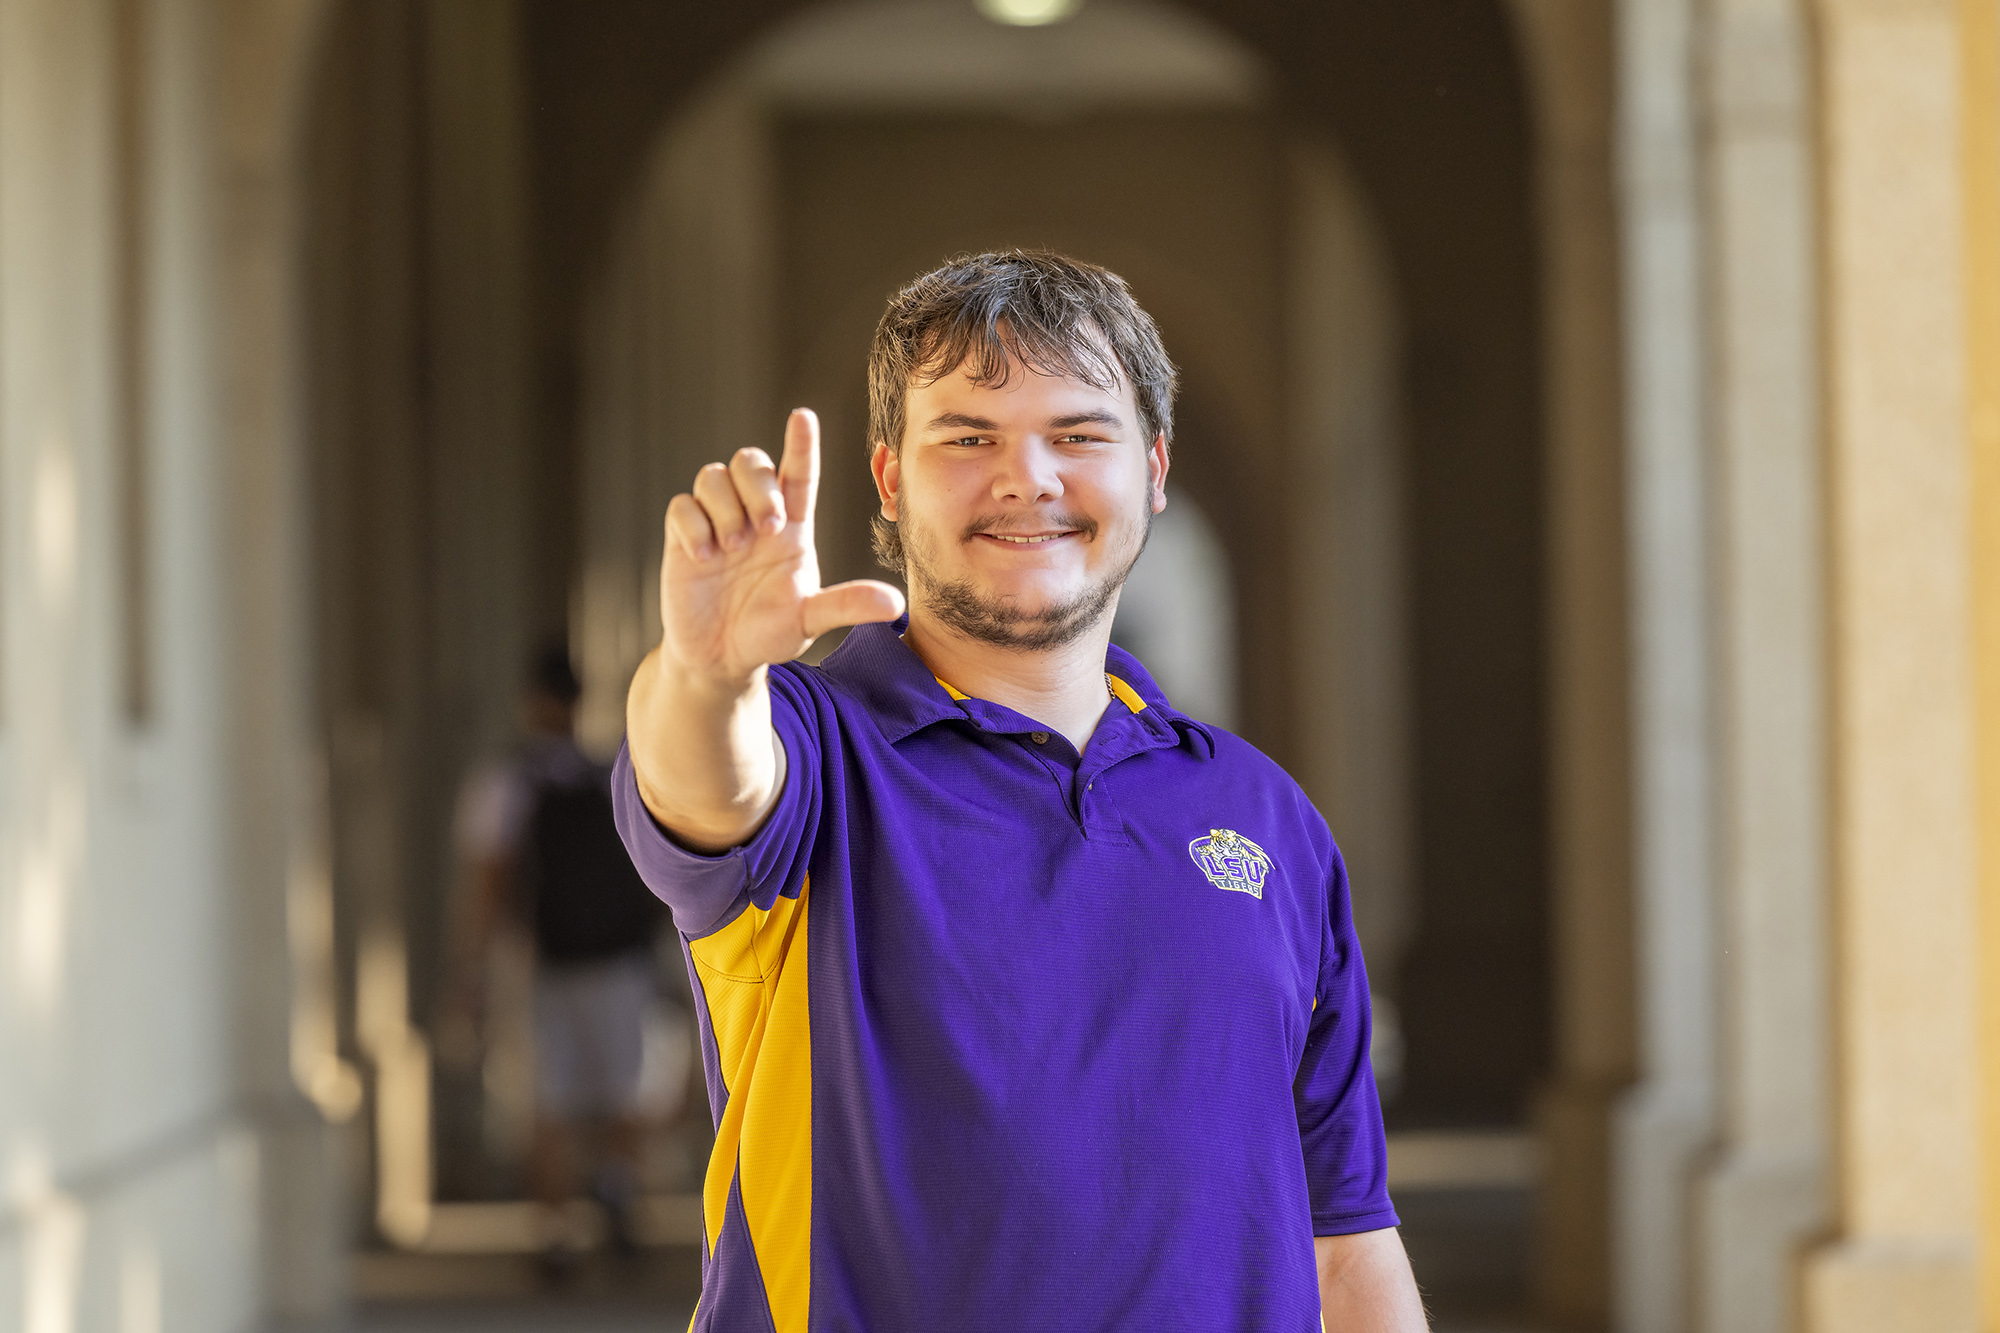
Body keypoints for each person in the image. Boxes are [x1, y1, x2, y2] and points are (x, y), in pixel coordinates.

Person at [615, 251, 1427, 1329]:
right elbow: (704, 780)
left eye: (1079, 434)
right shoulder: (817, 753)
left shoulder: (1265, 818)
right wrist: (704, 674)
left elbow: (1345, 1242)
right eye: (967, 437)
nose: (1027, 478)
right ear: (891, 479)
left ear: (1153, 469)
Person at [454, 646, 667, 1270]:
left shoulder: (508, 782)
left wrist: (470, 970)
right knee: (623, 1088)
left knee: (548, 1098)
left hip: (542, 963)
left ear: (530, 701)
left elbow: (489, 882)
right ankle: (619, 1196)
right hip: (620, 961)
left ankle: (552, 1232)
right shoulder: (610, 774)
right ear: (578, 703)